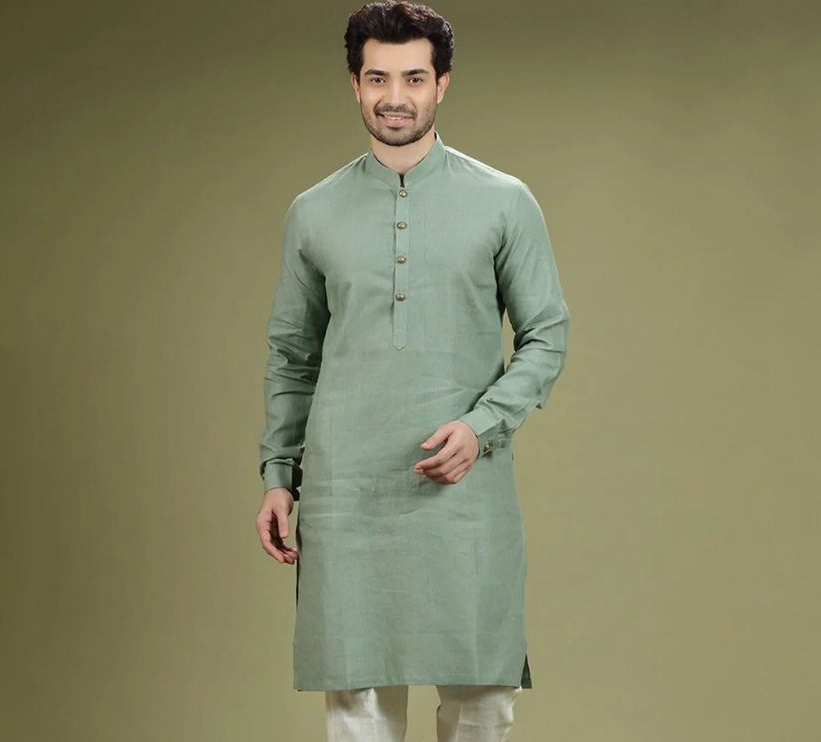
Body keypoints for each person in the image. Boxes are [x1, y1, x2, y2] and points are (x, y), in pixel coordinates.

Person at [254, 2, 569, 740]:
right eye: (378, 78)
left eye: (414, 78)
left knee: (483, 701)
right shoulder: (314, 212)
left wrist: (482, 426)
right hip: (347, 493)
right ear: (355, 84)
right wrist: (277, 474)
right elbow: (293, 355)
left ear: (442, 83)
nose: (395, 96)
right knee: (357, 707)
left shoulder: (503, 202)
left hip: (463, 489)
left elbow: (547, 335)